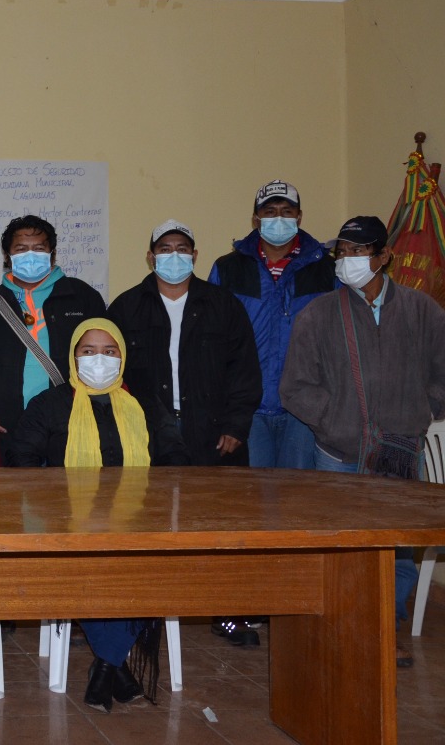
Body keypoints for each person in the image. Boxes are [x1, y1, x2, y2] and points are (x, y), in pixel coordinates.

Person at [280, 216, 445, 668]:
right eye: (342, 252)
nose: (347, 260)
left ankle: (386, 630)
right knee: (342, 549)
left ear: (384, 255)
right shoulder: (318, 314)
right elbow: (295, 387)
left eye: (358, 251)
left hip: (400, 453)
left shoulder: (422, 311)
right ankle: (342, 632)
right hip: (338, 454)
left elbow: (441, 373)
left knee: (396, 551)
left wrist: (419, 409)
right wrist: (335, 420)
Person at [9, 318, 187, 713]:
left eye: (109, 351)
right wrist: (54, 502)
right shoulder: (50, 404)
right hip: (70, 525)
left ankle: (106, 666)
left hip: (137, 523)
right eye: (88, 352)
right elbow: (22, 459)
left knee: (146, 568)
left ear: (122, 357)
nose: (99, 360)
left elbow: (175, 457)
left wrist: (155, 501)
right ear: (73, 357)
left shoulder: (144, 403)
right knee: (89, 566)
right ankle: (113, 665)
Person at [109, 219, 265, 646]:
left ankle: (227, 612)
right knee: (148, 525)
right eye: (165, 248)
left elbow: (245, 371)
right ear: (150, 256)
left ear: (195, 256)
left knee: (220, 526)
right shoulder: (127, 306)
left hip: (214, 431)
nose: (173, 256)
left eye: (182, 248)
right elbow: (113, 374)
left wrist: (236, 425)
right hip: (150, 431)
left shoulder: (222, 305)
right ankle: (146, 614)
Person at [209, 181, 336, 469]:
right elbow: (212, 340)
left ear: (299, 217)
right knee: (254, 493)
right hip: (248, 409)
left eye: (286, 211)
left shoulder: (326, 269)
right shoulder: (228, 269)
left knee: (298, 493)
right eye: (270, 212)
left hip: (304, 410)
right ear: (256, 219)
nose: (278, 218)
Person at [0, 214, 105, 465]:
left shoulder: (83, 297)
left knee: (67, 490)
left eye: (39, 249)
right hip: (5, 427)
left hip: (70, 422)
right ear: (7, 256)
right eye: (21, 249)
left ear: (52, 254)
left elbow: (105, 356)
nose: (30, 255)